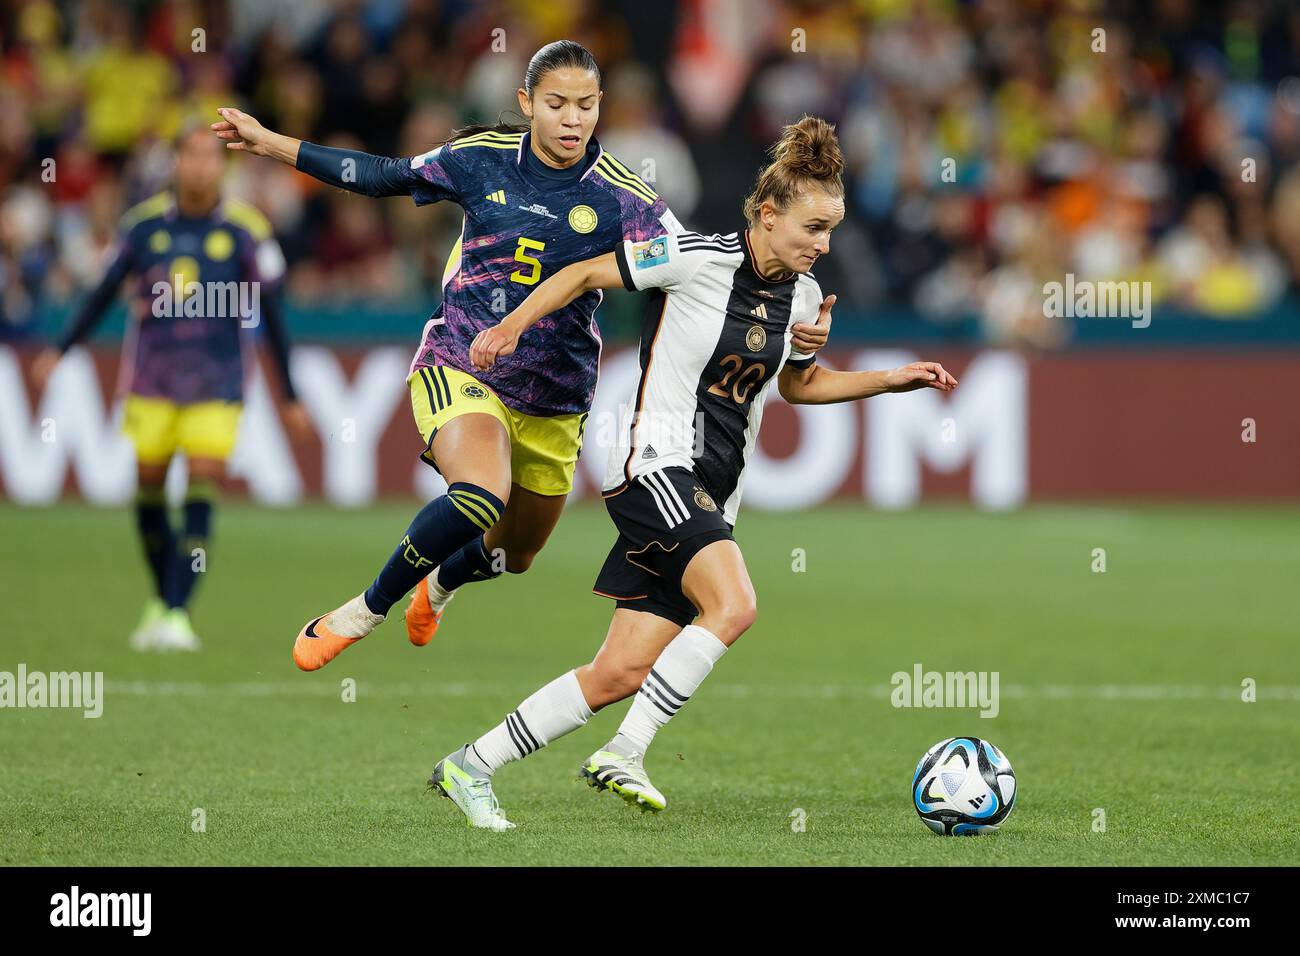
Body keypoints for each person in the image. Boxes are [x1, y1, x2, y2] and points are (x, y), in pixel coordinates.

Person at [211, 40, 832, 671]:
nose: (572, 120)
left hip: (556, 394)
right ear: (526, 102)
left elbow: (703, 272)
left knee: (516, 551)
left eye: (586, 105)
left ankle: (441, 584)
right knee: (481, 493)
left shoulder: (625, 198)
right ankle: (363, 610)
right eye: (557, 103)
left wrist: (789, 322)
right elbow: (382, 176)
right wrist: (273, 143)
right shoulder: (479, 160)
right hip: (463, 358)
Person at [428, 116, 958, 829]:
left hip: (713, 491)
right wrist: (512, 325)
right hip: (658, 465)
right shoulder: (694, 257)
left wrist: (891, 379)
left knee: (619, 671)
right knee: (735, 605)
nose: (822, 244)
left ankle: (472, 764)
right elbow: (587, 271)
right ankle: (627, 751)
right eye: (812, 227)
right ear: (768, 215)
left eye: (831, 230)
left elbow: (798, 386)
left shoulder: (802, 297)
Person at [31, 121, 308, 651]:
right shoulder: (141, 228)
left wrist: (290, 395)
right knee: (150, 496)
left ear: (221, 166)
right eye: (192, 156)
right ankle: (162, 598)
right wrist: (60, 349)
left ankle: (178, 612)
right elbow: (101, 294)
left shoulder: (248, 229)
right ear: (176, 163)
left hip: (218, 384)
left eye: (211, 158)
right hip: (151, 384)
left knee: (202, 487)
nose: (201, 166)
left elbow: (274, 315)